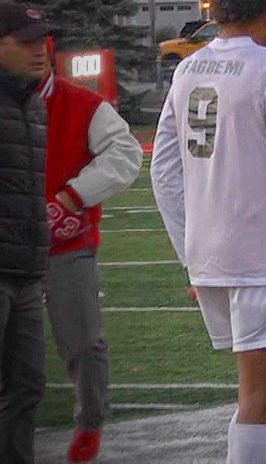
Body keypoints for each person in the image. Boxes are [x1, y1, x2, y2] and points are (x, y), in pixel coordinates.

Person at [151, 0, 266, 464]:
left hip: (208, 252)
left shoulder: (188, 68)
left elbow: (163, 170)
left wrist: (189, 253)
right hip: (254, 253)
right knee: (265, 391)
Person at [39, 37, 143, 463]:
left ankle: (90, 421)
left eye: (39, 44)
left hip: (66, 240)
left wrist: (74, 196)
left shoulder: (81, 104)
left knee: (82, 341)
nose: (34, 53)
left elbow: (126, 154)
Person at [0, 2, 53, 464]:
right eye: (26, 41)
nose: (40, 50)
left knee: (28, 386)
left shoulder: (31, 104)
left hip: (26, 267)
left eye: (43, 41)